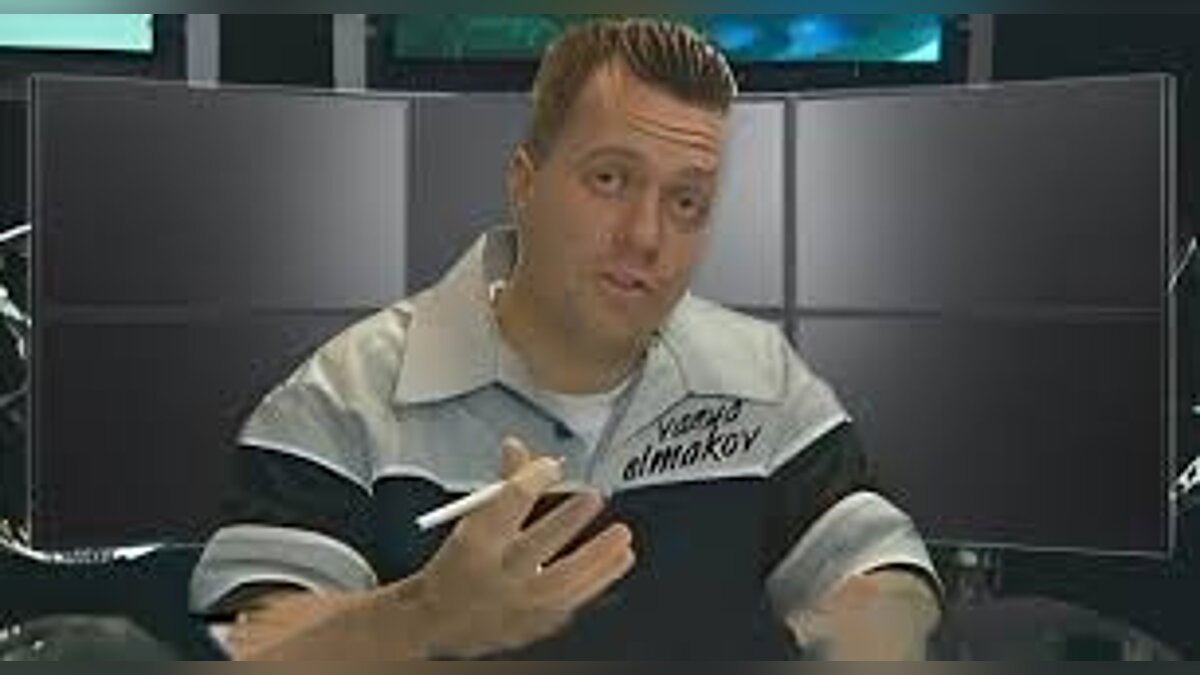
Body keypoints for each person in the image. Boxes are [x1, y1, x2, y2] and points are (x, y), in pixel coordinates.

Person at [190, 18, 941, 660]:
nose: (646, 236)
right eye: (610, 179)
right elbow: (251, 647)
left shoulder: (758, 376)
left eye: (686, 201)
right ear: (525, 182)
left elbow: (883, 571)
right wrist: (422, 616)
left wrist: (860, 632)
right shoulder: (339, 399)